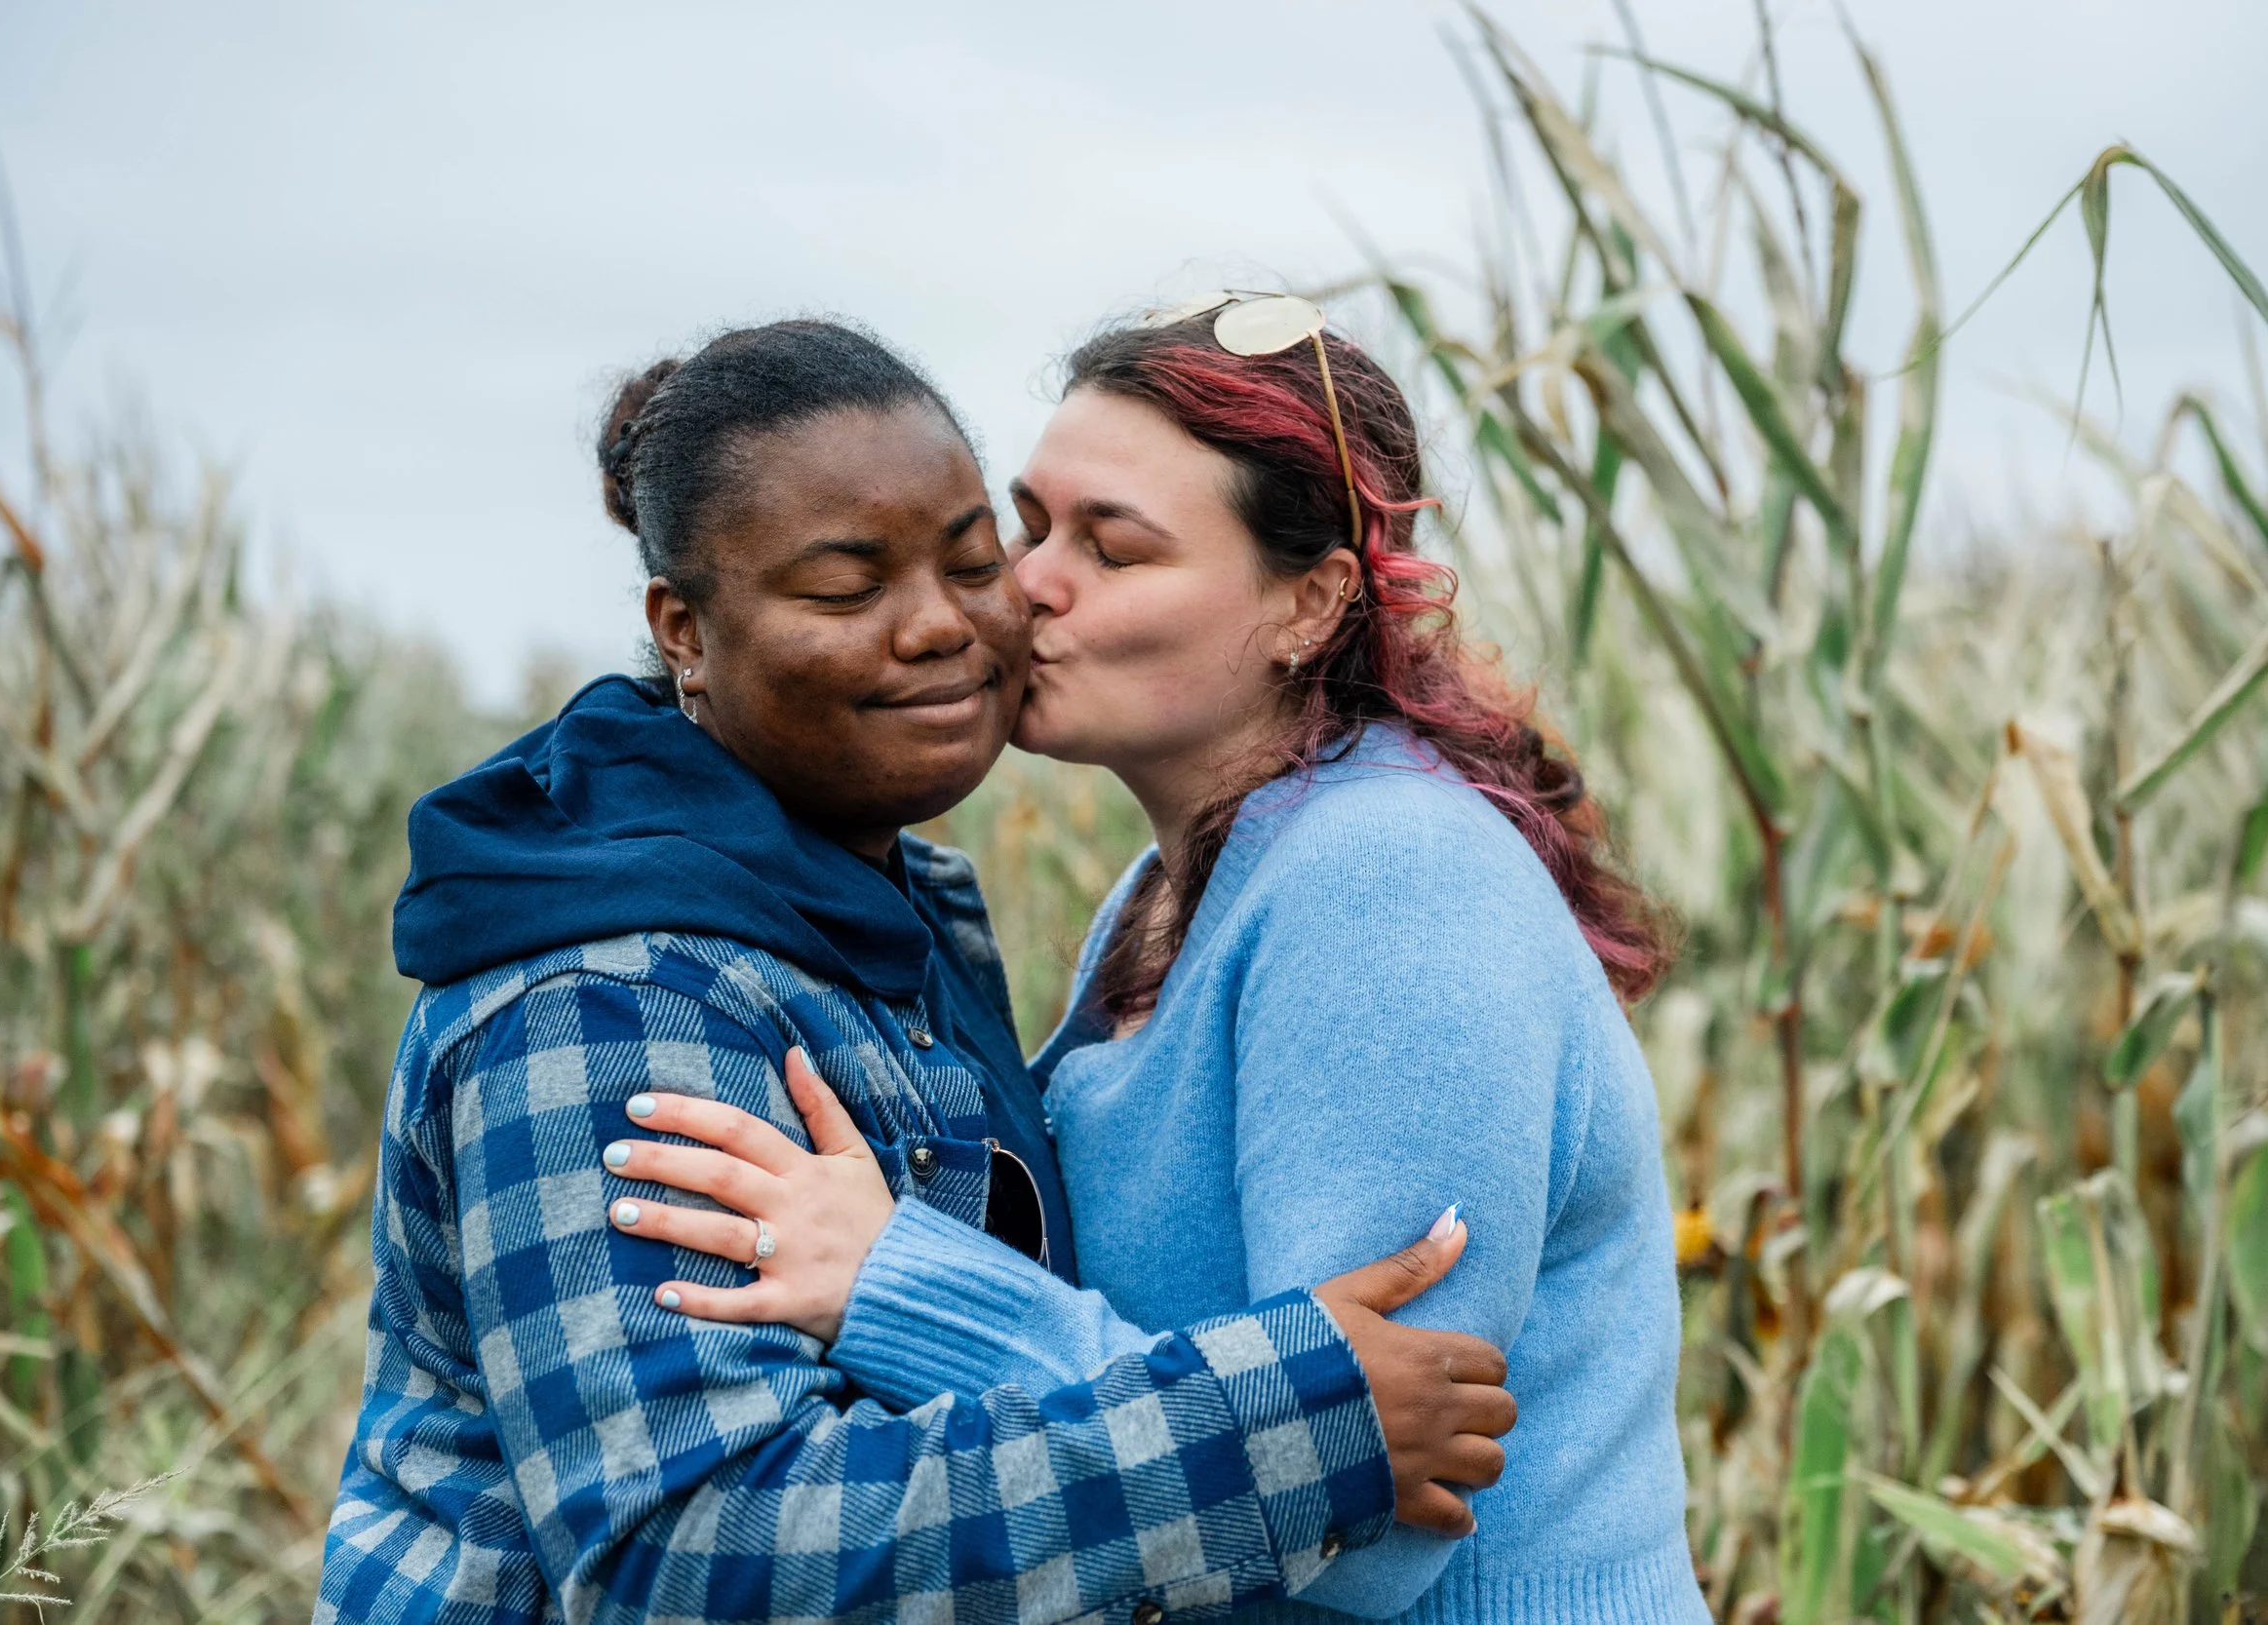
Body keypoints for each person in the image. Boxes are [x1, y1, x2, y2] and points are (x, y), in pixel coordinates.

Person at [314, 319, 1516, 1625]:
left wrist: (908, 1284)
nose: (945, 625)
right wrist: (1281, 1425)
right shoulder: (607, 996)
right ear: (686, 631)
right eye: (847, 587)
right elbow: (692, 1549)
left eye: (971, 558)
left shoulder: (895, 910)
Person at [601, 295, 1707, 1622]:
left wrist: (903, 1283)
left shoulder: (1387, 880)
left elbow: (1374, 1508)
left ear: (1310, 601)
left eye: (1113, 551)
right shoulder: (1177, 887)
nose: (1028, 586)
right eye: (1032, 527)